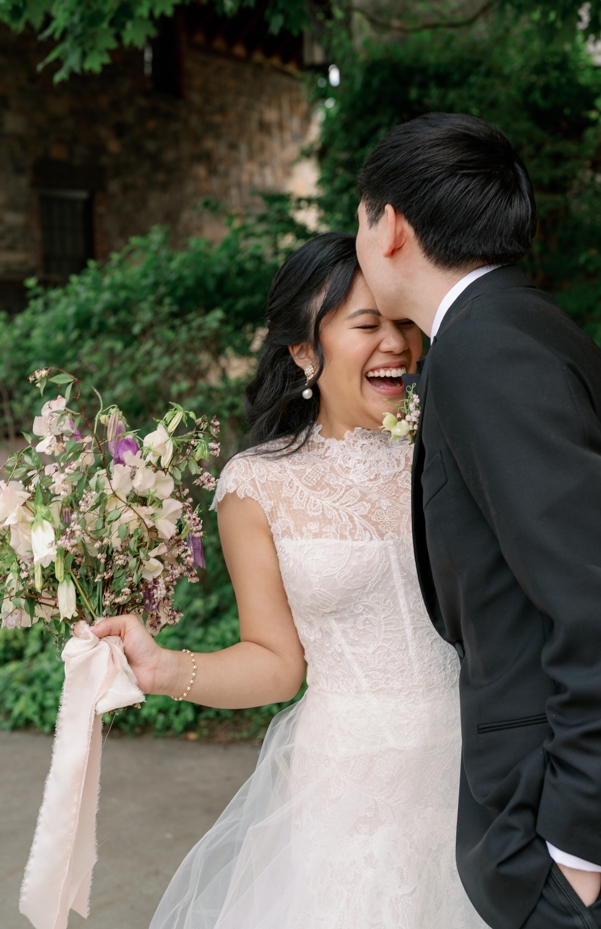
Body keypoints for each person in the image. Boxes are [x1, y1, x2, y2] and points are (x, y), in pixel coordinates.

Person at [354, 113, 601, 929]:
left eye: (359, 218)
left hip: (592, 855)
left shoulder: (488, 350)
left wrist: (579, 852)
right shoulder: (516, 327)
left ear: (391, 225)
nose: (358, 239)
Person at [92, 232, 486, 926]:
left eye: (403, 322)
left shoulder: (453, 444)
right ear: (304, 351)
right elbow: (275, 665)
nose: (395, 343)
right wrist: (159, 670)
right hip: (350, 786)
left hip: (482, 760)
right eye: (367, 325)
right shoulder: (258, 485)